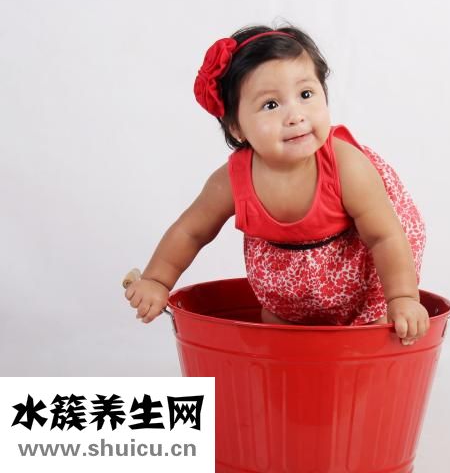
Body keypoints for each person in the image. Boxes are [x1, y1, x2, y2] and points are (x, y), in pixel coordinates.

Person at [125, 24, 429, 345]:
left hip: (362, 276)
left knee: (373, 336)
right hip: (284, 292)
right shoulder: (232, 180)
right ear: (236, 127)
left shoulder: (346, 166)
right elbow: (190, 231)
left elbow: (384, 236)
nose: (295, 115)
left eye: (306, 95)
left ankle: (372, 339)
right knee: (279, 338)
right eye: (271, 105)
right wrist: (157, 280)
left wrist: (402, 298)